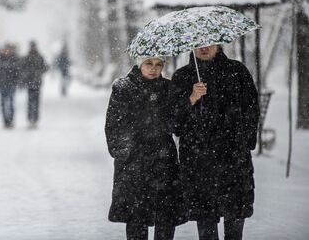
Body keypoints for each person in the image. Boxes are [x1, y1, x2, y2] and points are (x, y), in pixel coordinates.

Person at [169, 45, 260, 240]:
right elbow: (174, 123)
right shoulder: (182, 77)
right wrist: (191, 98)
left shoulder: (237, 71)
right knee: (206, 222)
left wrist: (244, 141)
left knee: (235, 217)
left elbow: (251, 109)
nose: (203, 47)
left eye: (208, 42)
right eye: (198, 43)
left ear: (218, 44)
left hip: (233, 158)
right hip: (198, 161)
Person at [105, 57, 185, 240]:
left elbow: (177, 123)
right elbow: (113, 126)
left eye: (159, 65)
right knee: (136, 220)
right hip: (134, 165)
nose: (153, 69)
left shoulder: (169, 88)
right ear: (140, 64)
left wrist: (191, 99)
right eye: (149, 63)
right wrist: (126, 152)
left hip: (164, 163)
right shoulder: (123, 88)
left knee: (165, 218)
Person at [0, 43, 22, 129]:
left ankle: (11, 120)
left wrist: (18, 81)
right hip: (1, 85)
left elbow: (18, 72)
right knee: (3, 104)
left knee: (11, 103)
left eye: (8, 49)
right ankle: (5, 121)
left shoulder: (14, 59)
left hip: (11, 85)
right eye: (5, 49)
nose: (6, 51)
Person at [21, 41, 49, 129]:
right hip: (29, 83)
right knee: (30, 102)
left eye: (34, 47)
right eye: (32, 47)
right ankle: (30, 120)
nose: (33, 48)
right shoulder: (27, 57)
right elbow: (21, 68)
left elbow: (46, 67)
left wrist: (38, 72)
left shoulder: (40, 57)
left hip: (37, 83)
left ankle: (35, 120)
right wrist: (26, 74)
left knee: (36, 103)